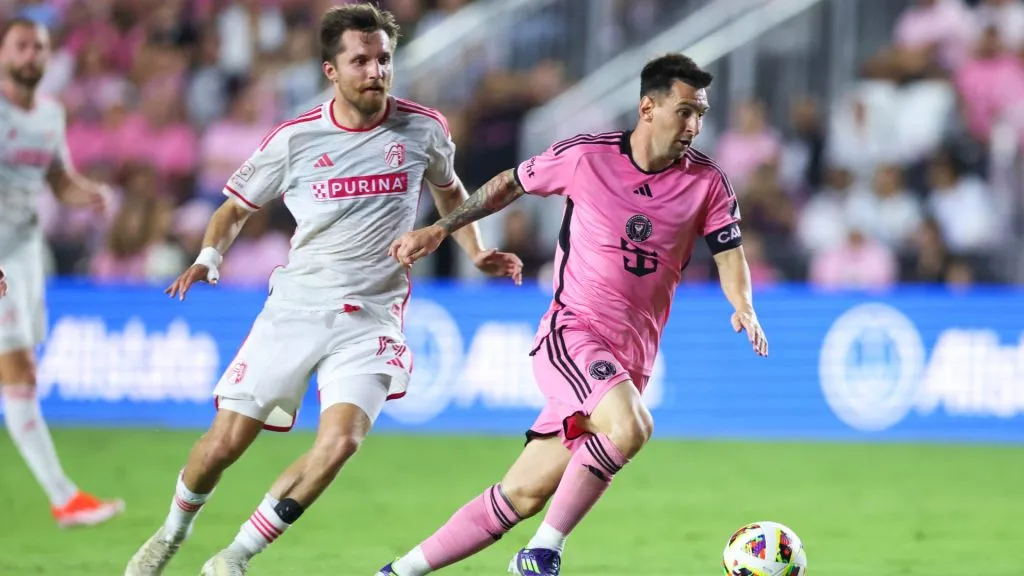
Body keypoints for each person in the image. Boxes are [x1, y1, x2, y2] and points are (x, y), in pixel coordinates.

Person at [124, 4, 522, 576]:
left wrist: (474, 248)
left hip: (374, 316)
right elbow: (235, 208)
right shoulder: (295, 139)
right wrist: (210, 256)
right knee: (224, 445)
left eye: (384, 59)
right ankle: (170, 533)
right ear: (331, 70)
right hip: (296, 308)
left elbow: (449, 190)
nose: (376, 71)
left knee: (340, 443)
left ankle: (235, 556)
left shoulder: (424, 128)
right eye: (361, 60)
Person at [378, 53, 769, 576]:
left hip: (632, 358)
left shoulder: (708, 182)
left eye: (700, 113)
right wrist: (441, 228)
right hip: (573, 335)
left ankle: (396, 573)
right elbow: (510, 183)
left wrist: (742, 303)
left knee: (521, 493)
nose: (694, 125)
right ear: (647, 108)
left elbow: (729, 253)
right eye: (685, 111)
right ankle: (540, 555)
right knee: (631, 427)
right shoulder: (587, 157)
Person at [0, 17, 122, 528]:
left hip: (26, 251)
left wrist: (88, 193)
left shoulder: (50, 114)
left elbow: (57, 178)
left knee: (23, 366)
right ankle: (63, 497)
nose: (32, 55)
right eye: (22, 46)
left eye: (40, 48)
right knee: (18, 366)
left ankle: (64, 497)